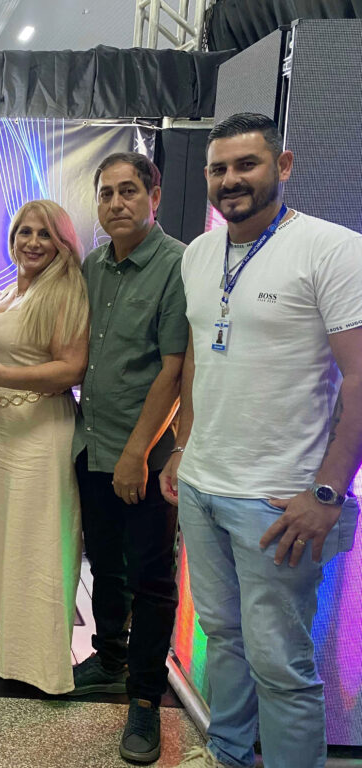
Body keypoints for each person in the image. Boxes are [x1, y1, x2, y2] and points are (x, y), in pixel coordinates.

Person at [161, 113, 362, 768]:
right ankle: (228, 754)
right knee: (223, 637)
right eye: (218, 168)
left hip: (277, 501)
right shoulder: (198, 254)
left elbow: (359, 377)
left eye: (246, 164)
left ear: (283, 165)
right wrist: (183, 446)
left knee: (280, 663)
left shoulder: (333, 250)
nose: (231, 179)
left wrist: (328, 491)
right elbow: (200, 359)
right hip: (203, 486)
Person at [69, 152, 187, 764]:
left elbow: (173, 369)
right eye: (106, 193)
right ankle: (110, 656)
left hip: (143, 456)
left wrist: (137, 453)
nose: (115, 203)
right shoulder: (93, 265)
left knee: (151, 577)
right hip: (92, 444)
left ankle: (144, 697)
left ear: (154, 197)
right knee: (105, 565)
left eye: (128, 191)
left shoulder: (176, 264)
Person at [0, 200, 89, 693]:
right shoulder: (14, 288)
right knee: (2, 542)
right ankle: (6, 639)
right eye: (24, 232)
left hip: (41, 435)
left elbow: (71, 368)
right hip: (1, 433)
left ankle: (35, 659)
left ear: (62, 242)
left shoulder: (65, 289)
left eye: (44, 234)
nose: (32, 242)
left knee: (36, 546)